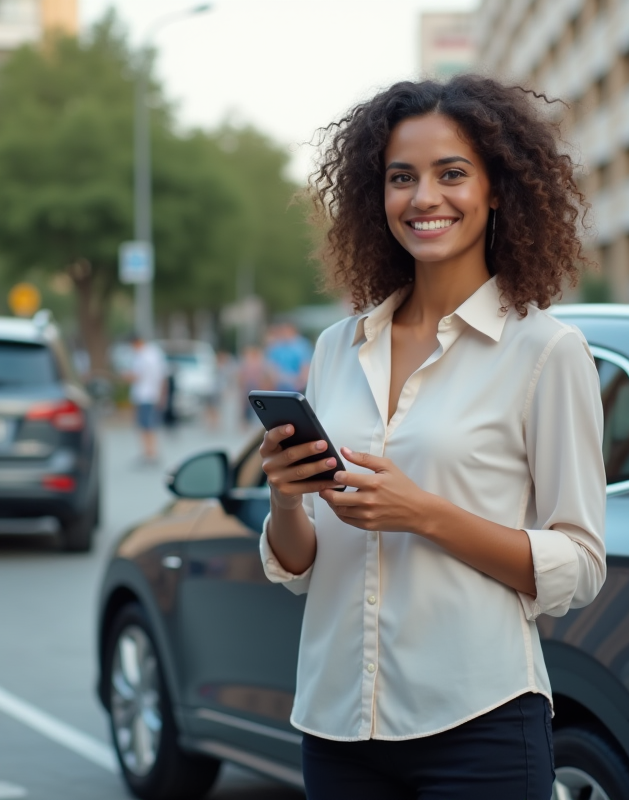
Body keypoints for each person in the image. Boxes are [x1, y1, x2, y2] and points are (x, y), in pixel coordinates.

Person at [258, 76, 607, 799]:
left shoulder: (544, 351)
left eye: (452, 173)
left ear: (498, 189)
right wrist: (287, 500)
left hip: (478, 722)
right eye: (401, 178)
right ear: (375, 196)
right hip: (336, 724)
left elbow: (579, 562)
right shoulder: (336, 348)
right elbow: (300, 566)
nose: (424, 199)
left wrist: (424, 514)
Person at [126, 334, 167, 463]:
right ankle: (149, 452)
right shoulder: (154, 354)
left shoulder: (143, 356)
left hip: (145, 395)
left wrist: (124, 376)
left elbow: (137, 375)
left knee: (146, 426)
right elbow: (162, 376)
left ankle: (150, 453)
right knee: (149, 425)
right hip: (151, 395)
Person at [265, 321, 312, 393]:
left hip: (298, 385)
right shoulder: (275, 346)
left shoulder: (302, 345)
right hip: (279, 385)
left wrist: (299, 381)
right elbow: (271, 367)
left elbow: (305, 366)